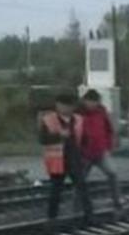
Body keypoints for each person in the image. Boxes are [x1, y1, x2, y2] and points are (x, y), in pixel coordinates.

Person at [39, 93, 92, 222]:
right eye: (62, 105)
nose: (65, 109)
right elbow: (43, 139)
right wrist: (59, 135)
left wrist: (85, 155)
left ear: (72, 107)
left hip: (74, 158)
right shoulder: (48, 120)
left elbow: (85, 139)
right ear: (57, 105)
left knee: (82, 187)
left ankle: (89, 215)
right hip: (57, 160)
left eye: (68, 106)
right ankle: (52, 217)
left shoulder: (79, 119)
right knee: (56, 190)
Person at [79, 89, 123, 214]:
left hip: (100, 152)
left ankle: (117, 202)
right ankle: (77, 206)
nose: (93, 105)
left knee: (113, 174)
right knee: (80, 180)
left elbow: (109, 129)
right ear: (85, 101)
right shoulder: (78, 113)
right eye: (91, 102)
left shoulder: (101, 112)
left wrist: (108, 146)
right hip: (84, 154)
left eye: (96, 102)